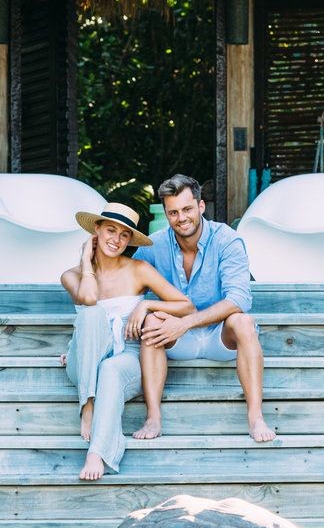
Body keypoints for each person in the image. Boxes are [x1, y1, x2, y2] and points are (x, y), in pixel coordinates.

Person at [130, 174, 274, 443]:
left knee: (243, 321)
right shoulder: (155, 244)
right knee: (151, 323)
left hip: (220, 338)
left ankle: (255, 417)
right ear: (166, 214)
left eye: (187, 209)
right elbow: (123, 286)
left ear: (200, 206)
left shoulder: (227, 240)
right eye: (173, 212)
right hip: (175, 340)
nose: (181, 218)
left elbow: (239, 299)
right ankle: (153, 417)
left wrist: (185, 322)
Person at [61, 203, 193, 482]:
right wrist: (87, 262)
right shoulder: (71, 275)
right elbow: (87, 299)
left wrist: (144, 307)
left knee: (109, 369)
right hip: (84, 361)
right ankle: (88, 404)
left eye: (124, 235)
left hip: (126, 355)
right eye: (110, 231)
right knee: (92, 314)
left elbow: (185, 306)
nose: (116, 240)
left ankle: (97, 452)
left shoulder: (139, 269)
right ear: (96, 230)